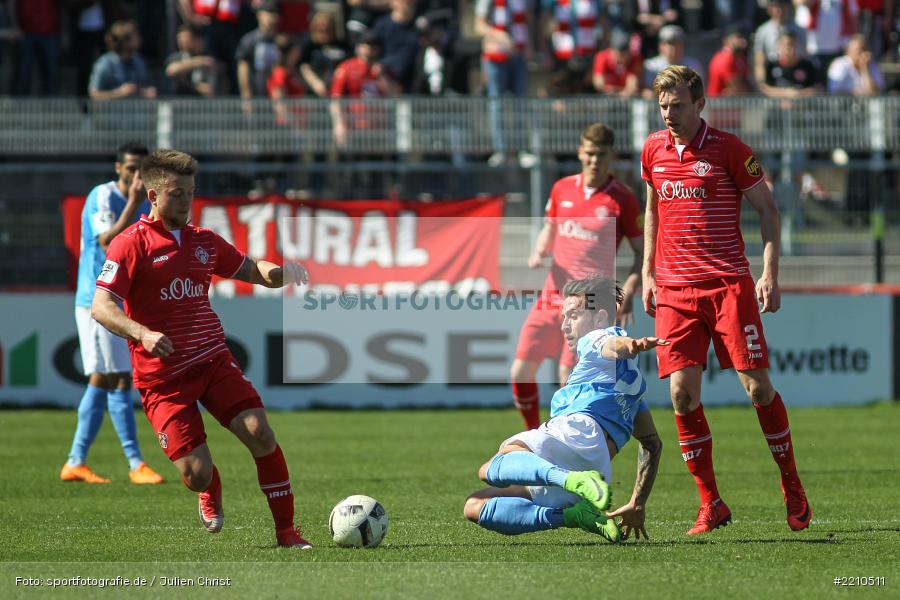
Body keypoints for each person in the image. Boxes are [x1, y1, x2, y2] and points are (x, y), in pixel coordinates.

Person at [91, 149, 313, 549]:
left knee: (260, 433)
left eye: (191, 192)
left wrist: (280, 273)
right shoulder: (129, 245)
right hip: (163, 380)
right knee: (195, 473)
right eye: (177, 194)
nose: (187, 202)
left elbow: (250, 269)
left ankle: (287, 533)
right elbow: (101, 306)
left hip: (212, 360)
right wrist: (141, 333)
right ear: (153, 196)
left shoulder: (203, 241)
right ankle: (209, 488)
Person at [641, 65, 812, 534]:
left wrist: (770, 273)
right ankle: (710, 502)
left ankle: (792, 485)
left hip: (727, 286)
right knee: (680, 393)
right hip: (675, 289)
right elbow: (653, 208)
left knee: (757, 388)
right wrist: (646, 272)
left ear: (700, 104)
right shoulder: (653, 148)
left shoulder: (730, 150)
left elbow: (768, 210)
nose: (669, 114)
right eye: (662, 106)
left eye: (677, 105)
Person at [465, 276, 666, 543]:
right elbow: (652, 444)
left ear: (598, 318)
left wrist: (630, 345)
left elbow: (610, 344)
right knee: (475, 505)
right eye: (563, 316)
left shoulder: (598, 335)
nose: (565, 325)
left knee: (493, 466)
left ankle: (570, 480)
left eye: (572, 315)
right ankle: (574, 515)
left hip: (576, 435)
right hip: (596, 467)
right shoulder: (634, 391)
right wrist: (637, 503)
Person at [511, 123, 643, 430]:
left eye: (601, 155)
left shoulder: (622, 198)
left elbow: (641, 252)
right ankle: (533, 435)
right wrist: (540, 250)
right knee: (520, 372)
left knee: (568, 382)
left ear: (611, 156)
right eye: (590, 153)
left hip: (592, 304)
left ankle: (567, 448)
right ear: (579, 152)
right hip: (552, 295)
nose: (595, 161)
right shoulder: (562, 188)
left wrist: (630, 291)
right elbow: (550, 227)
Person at [61, 141, 164, 486]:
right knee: (117, 378)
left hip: (122, 302)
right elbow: (107, 241)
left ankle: (76, 461)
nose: (136, 175)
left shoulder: (148, 202)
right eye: (130, 168)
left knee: (105, 379)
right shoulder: (103, 197)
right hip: (98, 301)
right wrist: (135, 202)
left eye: (141, 168)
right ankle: (135, 463)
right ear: (118, 168)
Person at [164, 25, 218, 97]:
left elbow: (211, 90)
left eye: (187, 39)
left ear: (195, 40)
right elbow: (171, 70)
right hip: (178, 99)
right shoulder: (176, 57)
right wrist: (197, 62)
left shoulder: (207, 59)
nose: (184, 43)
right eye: (181, 40)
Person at [706, 25, 753, 97]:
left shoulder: (740, 58)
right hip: (720, 106)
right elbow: (737, 89)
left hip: (734, 105)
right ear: (726, 40)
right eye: (739, 37)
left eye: (745, 37)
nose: (743, 41)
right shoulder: (726, 58)